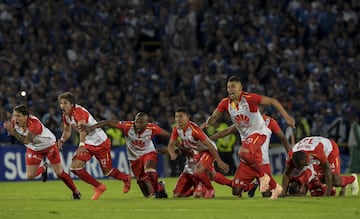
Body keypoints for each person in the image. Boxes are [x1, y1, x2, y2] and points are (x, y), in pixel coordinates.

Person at [202, 76, 295, 196]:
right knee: (236, 191)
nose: (230, 89)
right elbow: (216, 118)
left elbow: (273, 101)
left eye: (233, 86)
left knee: (242, 152)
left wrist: (287, 118)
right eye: (228, 87)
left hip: (258, 136)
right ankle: (255, 184)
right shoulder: (226, 104)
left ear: (240, 88)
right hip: (249, 148)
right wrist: (208, 124)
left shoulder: (250, 100)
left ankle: (268, 181)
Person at [57, 92, 131, 200]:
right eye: (61, 103)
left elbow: (82, 129)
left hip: (100, 142)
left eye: (65, 103)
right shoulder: (66, 116)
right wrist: (62, 140)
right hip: (87, 143)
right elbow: (67, 131)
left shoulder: (79, 112)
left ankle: (126, 178)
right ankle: (99, 187)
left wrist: (81, 144)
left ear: (72, 104)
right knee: (75, 167)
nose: (63, 106)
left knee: (108, 171)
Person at [79, 112, 169, 198]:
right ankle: (160, 186)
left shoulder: (152, 128)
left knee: (150, 171)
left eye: (141, 123)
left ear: (147, 123)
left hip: (148, 153)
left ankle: (158, 192)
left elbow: (169, 135)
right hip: (134, 158)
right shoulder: (127, 126)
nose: (138, 124)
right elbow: (108, 122)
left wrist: (172, 150)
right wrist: (91, 128)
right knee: (146, 192)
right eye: (136, 121)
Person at [3, 105, 81, 199]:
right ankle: (43, 168)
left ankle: (75, 192)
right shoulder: (13, 123)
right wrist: (11, 131)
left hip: (49, 146)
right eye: (14, 115)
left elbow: (27, 140)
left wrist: (13, 132)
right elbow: (13, 134)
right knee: (30, 176)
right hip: (34, 148)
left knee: (59, 173)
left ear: (26, 116)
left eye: (18, 116)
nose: (15, 118)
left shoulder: (34, 124)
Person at [210, 114, 291, 198]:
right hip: (247, 162)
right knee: (236, 190)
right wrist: (209, 139)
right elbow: (227, 131)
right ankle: (252, 186)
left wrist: (290, 155)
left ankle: (262, 183)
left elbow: (283, 137)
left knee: (266, 194)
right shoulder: (244, 121)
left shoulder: (269, 121)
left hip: (262, 163)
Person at [167, 107, 230, 198]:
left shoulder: (194, 130)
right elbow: (170, 145)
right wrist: (172, 153)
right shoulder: (176, 129)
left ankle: (210, 189)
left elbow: (210, 146)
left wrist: (219, 161)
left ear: (188, 117)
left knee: (199, 171)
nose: (178, 119)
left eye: (181, 116)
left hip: (208, 151)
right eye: (176, 116)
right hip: (197, 152)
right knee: (177, 194)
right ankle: (236, 185)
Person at [281, 136, 359, 197]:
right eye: (299, 166)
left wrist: (327, 193)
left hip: (330, 151)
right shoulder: (291, 155)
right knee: (322, 179)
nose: (301, 168)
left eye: (303, 165)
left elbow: (327, 169)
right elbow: (286, 173)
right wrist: (283, 192)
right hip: (312, 148)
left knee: (336, 180)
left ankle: (352, 179)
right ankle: (341, 183)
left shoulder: (316, 150)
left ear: (307, 159)